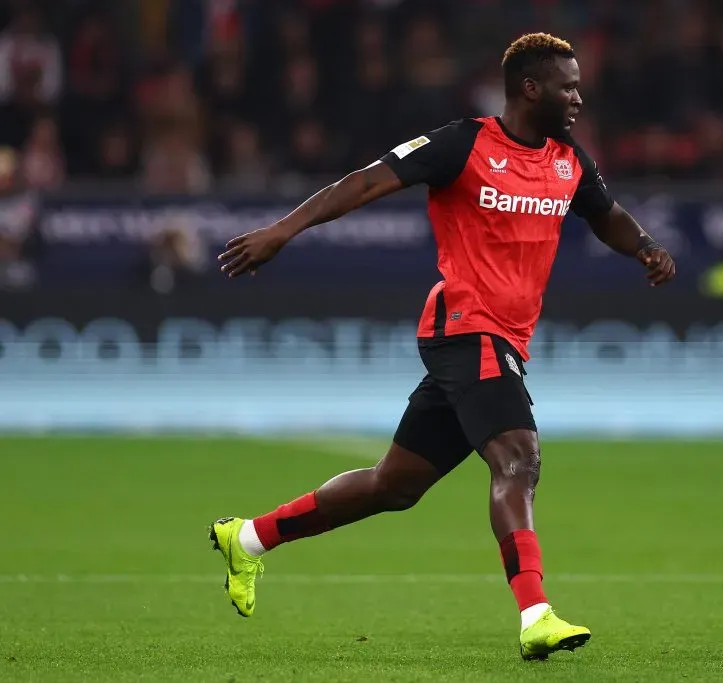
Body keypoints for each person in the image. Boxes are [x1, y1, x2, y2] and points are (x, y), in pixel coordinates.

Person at [210, 32, 676, 661]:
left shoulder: (568, 160)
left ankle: (250, 539)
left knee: (394, 485)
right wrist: (284, 230)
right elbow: (366, 182)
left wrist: (644, 245)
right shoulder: (463, 143)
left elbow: (607, 213)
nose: (578, 96)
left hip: (501, 337)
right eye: (567, 86)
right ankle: (536, 614)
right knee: (518, 458)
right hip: (465, 325)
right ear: (529, 89)